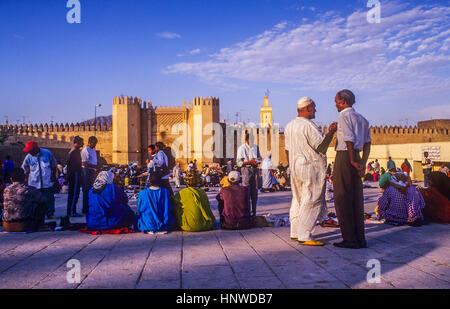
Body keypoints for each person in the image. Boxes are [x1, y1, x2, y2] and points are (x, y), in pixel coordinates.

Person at [285, 96, 338, 246]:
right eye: (313, 107)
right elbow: (321, 147)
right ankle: (305, 235)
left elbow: (287, 149)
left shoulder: (290, 125)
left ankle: (295, 232)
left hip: (295, 166)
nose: (315, 110)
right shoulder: (308, 126)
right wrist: (331, 132)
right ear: (307, 108)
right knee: (312, 199)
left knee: (298, 198)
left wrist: (292, 165)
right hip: (310, 166)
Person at [332, 89, 371, 249]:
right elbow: (368, 143)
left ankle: (349, 239)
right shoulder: (362, 119)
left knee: (342, 198)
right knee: (356, 198)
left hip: (345, 157)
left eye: (336, 101)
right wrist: (362, 163)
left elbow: (348, 138)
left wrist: (351, 161)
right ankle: (360, 239)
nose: (335, 104)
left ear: (343, 101)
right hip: (358, 157)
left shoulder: (343, 116)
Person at [2, 168, 47, 232]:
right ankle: (40, 226)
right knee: (42, 205)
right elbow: (43, 200)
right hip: (24, 225)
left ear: (11, 179)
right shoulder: (29, 189)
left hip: (7, 226)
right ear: (24, 178)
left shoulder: (6, 190)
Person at [21, 140, 58, 219]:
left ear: (36, 149)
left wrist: (53, 175)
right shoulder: (28, 157)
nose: (29, 152)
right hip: (34, 183)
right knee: (35, 200)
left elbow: (54, 165)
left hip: (47, 181)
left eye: (30, 150)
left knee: (49, 199)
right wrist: (26, 180)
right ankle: (37, 215)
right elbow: (25, 169)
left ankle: (50, 213)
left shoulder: (47, 153)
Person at [236, 131, 262, 217]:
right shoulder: (241, 148)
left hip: (254, 170)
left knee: (254, 192)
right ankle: (246, 213)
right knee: (246, 191)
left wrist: (256, 161)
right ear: (246, 140)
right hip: (246, 170)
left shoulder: (256, 147)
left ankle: (253, 213)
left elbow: (260, 158)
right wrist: (249, 162)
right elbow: (239, 163)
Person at [65, 136, 84, 219]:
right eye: (81, 142)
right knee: (74, 193)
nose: (82, 144)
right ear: (77, 143)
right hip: (75, 174)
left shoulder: (73, 151)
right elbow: (71, 165)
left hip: (73, 174)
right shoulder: (74, 152)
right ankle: (72, 211)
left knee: (72, 194)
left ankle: (70, 211)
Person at [81, 136, 98, 214]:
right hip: (86, 171)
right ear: (90, 142)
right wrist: (93, 168)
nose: (95, 145)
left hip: (92, 171)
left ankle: (90, 207)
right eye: (94, 144)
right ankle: (85, 208)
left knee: (92, 189)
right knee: (86, 190)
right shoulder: (85, 150)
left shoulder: (93, 149)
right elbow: (84, 163)